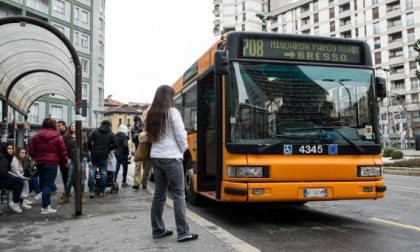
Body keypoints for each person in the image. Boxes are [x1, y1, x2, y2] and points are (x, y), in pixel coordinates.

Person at [146, 85, 198, 242]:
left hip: (156, 156)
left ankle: (157, 230)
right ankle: (183, 233)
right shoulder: (173, 112)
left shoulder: (152, 114)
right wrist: (182, 151)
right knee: (179, 194)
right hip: (171, 157)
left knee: (159, 194)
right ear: (169, 97)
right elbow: (181, 135)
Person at [28, 118, 68, 214]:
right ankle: (45, 207)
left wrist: (36, 157)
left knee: (43, 184)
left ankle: (46, 205)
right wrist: (65, 160)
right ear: (53, 126)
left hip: (40, 163)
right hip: (52, 163)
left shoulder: (36, 136)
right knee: (48, 185)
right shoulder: (58, 136)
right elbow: (63, 151)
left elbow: (30, 150)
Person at [60, 122, 89, 204]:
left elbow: (87, 148)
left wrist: (86, 157)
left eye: (74, 126)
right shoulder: (66, 137)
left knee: (82, 178)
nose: (72, 126)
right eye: (71, 125)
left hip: (82, 159)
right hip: (72, 159)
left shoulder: (83, 136)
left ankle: (81, 195)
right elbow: (64, 149)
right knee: (70, 178)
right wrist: (67, 158)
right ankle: (66, 196)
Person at [88, 120, 115, 198]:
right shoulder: (111, 134)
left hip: (94, 154)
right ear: (109, 125)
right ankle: (101, 191)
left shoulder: (95, 131)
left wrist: (91, 149)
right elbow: (116, 145)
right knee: (103, 171)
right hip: (104, 155)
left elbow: (89, 141)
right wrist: (108, 149)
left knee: (92, 171)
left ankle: (92, 191)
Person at [0, 143, 24, 213]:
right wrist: (11, 175)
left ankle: (20, 201)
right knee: (18, 180)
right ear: (4, 150)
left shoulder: (6, 157)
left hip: (2, 180)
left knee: (20, 180)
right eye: (9, 148)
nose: (11, 150)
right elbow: (2, 173)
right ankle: (15, 202)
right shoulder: (3, 159)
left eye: (12, 148)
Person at [131, 115, 145, 190]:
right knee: (138, 166)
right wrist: (139, 133)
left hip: (146, 149)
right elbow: (133, 139)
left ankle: (144, 183)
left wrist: (143, 129)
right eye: (136, 121)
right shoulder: (133, 129)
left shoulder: (145, 126)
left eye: (139, 121)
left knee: (146, 167)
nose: (138, 122)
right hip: (138, 149)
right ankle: (137, 183)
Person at [57, 120, 67, 195]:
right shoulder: (58, 134)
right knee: (64, 174)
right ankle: (66, 190)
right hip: (61, 158)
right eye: (58, 126)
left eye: (59, 125)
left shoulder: (68, 133)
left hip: (68, 157)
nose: (58, 127)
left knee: (71, 174)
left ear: (64, 125)